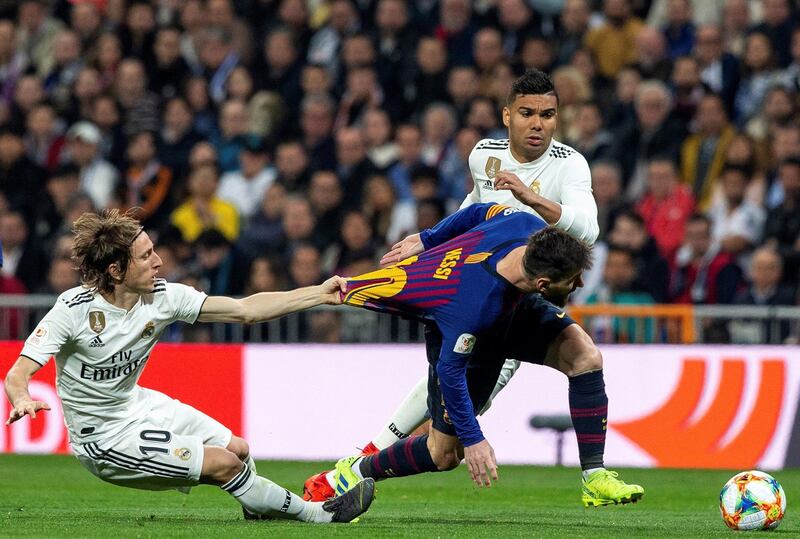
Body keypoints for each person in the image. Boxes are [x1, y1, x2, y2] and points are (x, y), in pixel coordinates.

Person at [304, 68, 603, 502]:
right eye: (528, 113)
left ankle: (594, 476)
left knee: (574, 361)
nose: (538, 124)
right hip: (478, 297)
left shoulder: (569, 164)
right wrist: (427, 240)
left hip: (526, 298)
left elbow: (589, 230)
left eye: (548, 114)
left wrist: (529, 197)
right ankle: (361, 462)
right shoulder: (484, 155)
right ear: (507, 115)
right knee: (447, 443)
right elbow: (472, 210)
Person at [3, 209, 374, 524]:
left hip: (138, 405)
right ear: (116, 270)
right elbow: (18, 373)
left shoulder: (164, 297)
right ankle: (318, 513)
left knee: (239, 450)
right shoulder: (74, 309)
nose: (159, 262)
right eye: (146, 256)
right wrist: (21, 399)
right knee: (225, 464)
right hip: (103, 438)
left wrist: (318, 294)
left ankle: (260, 509)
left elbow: (245, 310)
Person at [324, 202, 642, 507]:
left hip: (518, 309)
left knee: (585, 357)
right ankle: (354, 472)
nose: (581, 283)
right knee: (444, 454)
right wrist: (474, 438)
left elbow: (479, 210)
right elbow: (450, 373)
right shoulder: (473, 308)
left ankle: (594, 476)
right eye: (573, 280)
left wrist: (427, 237)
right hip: (471, 337)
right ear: (544, 283)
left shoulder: (526, 225)